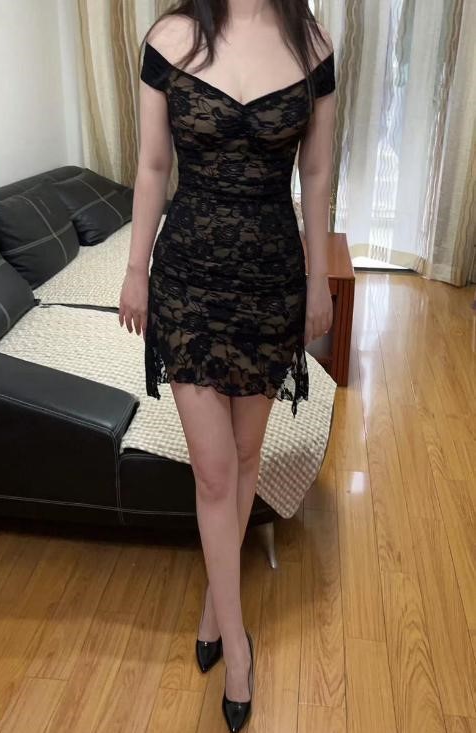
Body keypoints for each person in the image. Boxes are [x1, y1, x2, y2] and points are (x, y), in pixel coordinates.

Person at [119, 2, 336, 730]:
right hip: (188, 278)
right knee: (215, 471)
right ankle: (237, 649)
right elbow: (153, 164)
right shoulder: (170, 37)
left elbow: (317, 171)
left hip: (271, 281)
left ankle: (218, 603)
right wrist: (136, 270)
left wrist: (317, 283)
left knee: (245, 457)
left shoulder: (311, 43)